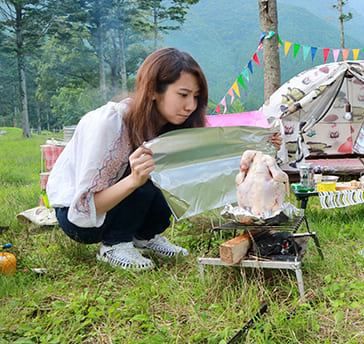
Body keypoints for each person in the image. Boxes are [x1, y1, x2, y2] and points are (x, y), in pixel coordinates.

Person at [48, 47, 281, 270]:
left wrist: (264, 143)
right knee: (144, 167)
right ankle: (114, 245)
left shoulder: (173, 126)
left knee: (171, 168)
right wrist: (133, 181)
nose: (190, 105)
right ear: (152, 91)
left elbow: (216, 150)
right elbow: (83, 210)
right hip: (81, 220)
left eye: (196, 97)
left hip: (110, 207)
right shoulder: (110, 122)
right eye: (182, 95)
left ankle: (145, 237)